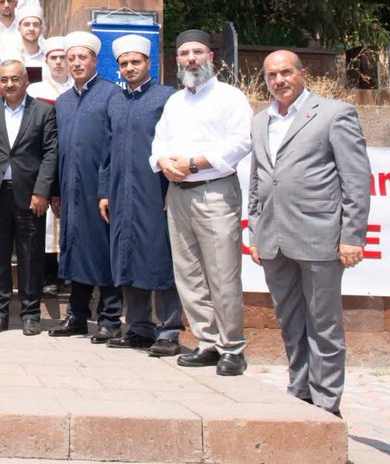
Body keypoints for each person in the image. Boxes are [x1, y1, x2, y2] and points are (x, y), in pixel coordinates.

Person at [248, 50, 371, 415]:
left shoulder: (334, 114)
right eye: (271, 75)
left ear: (302, 74)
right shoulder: (260, 121)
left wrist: (353, 235)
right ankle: (300, 392)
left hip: (319, 236)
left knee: (324, 325)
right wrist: (256, 231)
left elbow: (356, 179)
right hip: (274, 240)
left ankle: (327, 403)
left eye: (286, 73)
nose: (279, 80)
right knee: (290, 321)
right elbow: (257, 180)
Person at [151, 29, 253, 375]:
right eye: (184, 54)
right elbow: (159, 141)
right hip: (177, 194)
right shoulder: (175, 101)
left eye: (197, 52)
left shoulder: (230, 97)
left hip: (215, 191)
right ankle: (207, 342)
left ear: (211, 56)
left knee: (222, 272)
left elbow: (241, 142)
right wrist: (163, 163)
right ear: (177, 60)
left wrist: (196, 163)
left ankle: (233, 348)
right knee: (189, 273)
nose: (191, 59)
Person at [102, 34, 183, 357]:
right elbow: (106, 152)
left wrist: (173, 190)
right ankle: (138, 327)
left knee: (159, 257)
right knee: (127, 255)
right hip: (120, 192)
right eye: (124, 63)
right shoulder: (116, 100)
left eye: (135, 62)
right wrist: (103, 192)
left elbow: (178, 144)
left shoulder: (167, 97)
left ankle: (169, 329)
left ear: (149, 63)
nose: (130, 67)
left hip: (156, 192)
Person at [0, 60, 57, 336]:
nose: (9, 84)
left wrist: (42, 191)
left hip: (30, 196)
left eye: (15, 79)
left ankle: (30, 314)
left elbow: (51, 153)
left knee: (31, 257)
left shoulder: (43, 111)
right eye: (4, 79)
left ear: (26, 81)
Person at [48, 31, 123, 342]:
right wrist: (55, 189)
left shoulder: (111, 95)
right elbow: (55, 149)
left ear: (95, 61)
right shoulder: (63, 101)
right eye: (71, 58)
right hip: (69, 189)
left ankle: (110, 318)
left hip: (98, 191)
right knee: (74, 248)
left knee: (102, 251)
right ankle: (76, 316)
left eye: (82, 57)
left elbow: (114, 147)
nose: (76, 63)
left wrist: (105, 190)